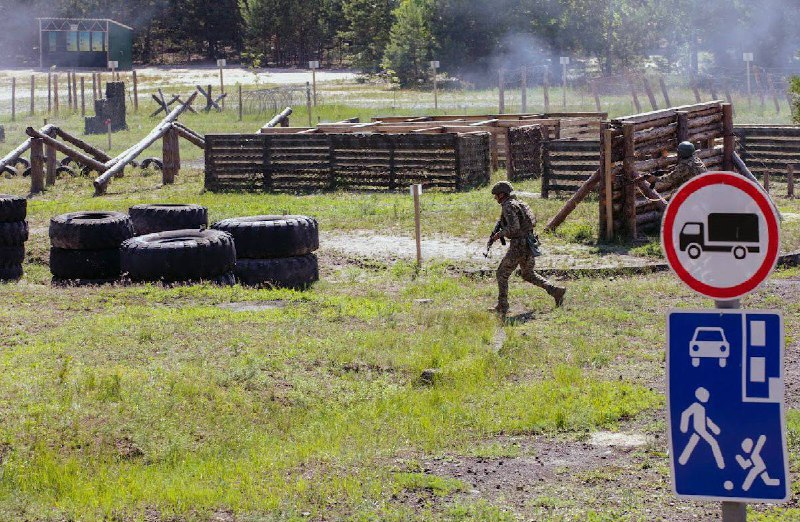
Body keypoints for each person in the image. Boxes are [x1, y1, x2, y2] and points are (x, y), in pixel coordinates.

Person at [488, 181, 566, 316]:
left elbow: (514, 228)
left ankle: (502, 305)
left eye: (496, 195)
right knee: (528, 274)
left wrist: (499, 235)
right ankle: (555, 291)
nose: (495, 198)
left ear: (502, 195)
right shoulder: (520, 204)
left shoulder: (508, 206)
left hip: (519, 245)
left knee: (502, 273)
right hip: (529, 243)